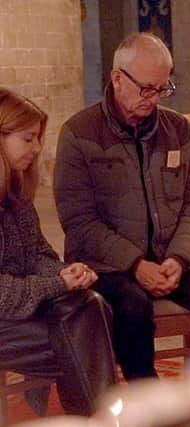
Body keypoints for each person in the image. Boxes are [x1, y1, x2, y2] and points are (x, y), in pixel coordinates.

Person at [53, 33, 190, 381]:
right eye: (146, 89)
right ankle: (148, 401)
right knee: (132, 307)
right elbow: (79, 221)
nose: (154, 99)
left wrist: (178, 258)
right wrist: (135, 264)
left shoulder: (179, 130)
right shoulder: (79, 133)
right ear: (117, 78)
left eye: (162, 88)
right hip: (108, 268)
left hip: (173, 259)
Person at [0, 87, 117, 416]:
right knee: (88, 331)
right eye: (28, 139)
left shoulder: (15, 192)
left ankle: (96, 419)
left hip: (15, 312)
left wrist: (68, 273)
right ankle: (103, 418)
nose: (37, 148)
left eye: (38, 138)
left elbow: (39, 253)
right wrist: (58, 285)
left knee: (90, 308)